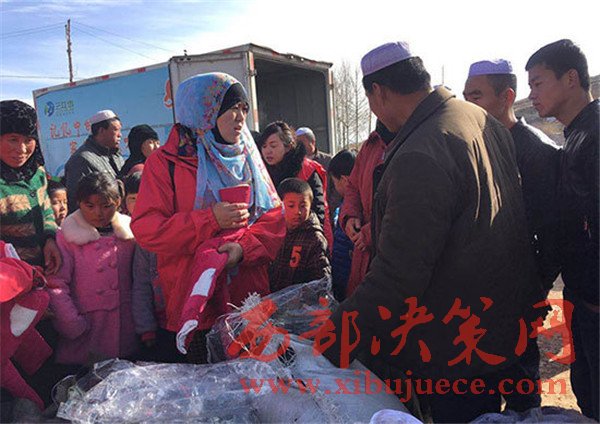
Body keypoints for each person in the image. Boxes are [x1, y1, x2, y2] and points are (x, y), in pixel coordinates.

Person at [320, 41, 544, 423]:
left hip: (453, 348)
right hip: (500, 329)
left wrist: (331, 342)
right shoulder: (478, 118)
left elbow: (398, 275)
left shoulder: (419, 153)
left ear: (379, 92)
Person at [131, 72, 285, 364]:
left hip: (246, 300)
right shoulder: (166, 163)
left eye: (244, 108)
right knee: (205, 385)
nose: (240, 117)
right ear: (204, 111)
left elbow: (274, 219)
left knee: (251, 381)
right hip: (195, 305)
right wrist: (210, 220)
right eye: (231, 108)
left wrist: (242, 250)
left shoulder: (248, 158)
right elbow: (147, 229)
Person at [463, 59, 562, 412]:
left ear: (506, 97)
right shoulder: (471, 146)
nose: (467, 104)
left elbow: (551, 237)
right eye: (465, 96)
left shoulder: (537, 153)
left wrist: (532, 294)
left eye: (476, 95)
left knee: (521, 397)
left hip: (518, 301)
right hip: (478, 301)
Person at [526, 39, 599, 421]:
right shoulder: (575, 135)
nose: (532, 95)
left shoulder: (596, 135)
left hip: (595, 301)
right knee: (587, 394)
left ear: (570, 78)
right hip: (582, 299)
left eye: (538, 83)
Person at [48, 172, 137, 365]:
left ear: (118, 202)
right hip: (85, 335)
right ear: (78, 203)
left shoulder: (130, 234)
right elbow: (56, 285)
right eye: (90, 206)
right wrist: (72, 324)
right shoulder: (67, 237)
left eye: (107, 206)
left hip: (126, 332)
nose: (99, 213)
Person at [0, 100, 61, 272]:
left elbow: (46, 209)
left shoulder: (37, 173)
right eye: (13, 139)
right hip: (10, 278)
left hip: (45, 271)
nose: (22, 149)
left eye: (28, 140)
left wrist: (50, 238)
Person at [340, 120, 395, 297]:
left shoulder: (415, 141)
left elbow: (411, 209)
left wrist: (371, 232)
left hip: (393, 254)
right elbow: (353, 187)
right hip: (363, 253)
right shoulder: (371, 144)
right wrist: (350, 216)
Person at [259, 121, 333, 248]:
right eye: (264, 146)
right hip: (277, 240)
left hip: (308, 240)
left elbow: (318, 209)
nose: (268, 151)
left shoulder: (307, 169)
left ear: (288, 146)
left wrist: (312, 241)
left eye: (273, 146)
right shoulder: (262, 173)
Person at [269, 178, 330, 292]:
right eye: (291, 206)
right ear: (279, 204)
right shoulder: (271, 230)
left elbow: (321, 281)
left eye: (303, 206)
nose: (298, 212)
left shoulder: (314, 238)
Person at [64, 109, 123, 213]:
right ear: (101, 131)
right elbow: (76, 201)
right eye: (115, 130)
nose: (120, 135)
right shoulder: (81, 159)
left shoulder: (116, 156)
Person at [328, 149, 356, 301]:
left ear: (344, 180)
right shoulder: (353, 203)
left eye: (334, 182)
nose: (335, 188)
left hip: (347, 277)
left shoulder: (351, 209)